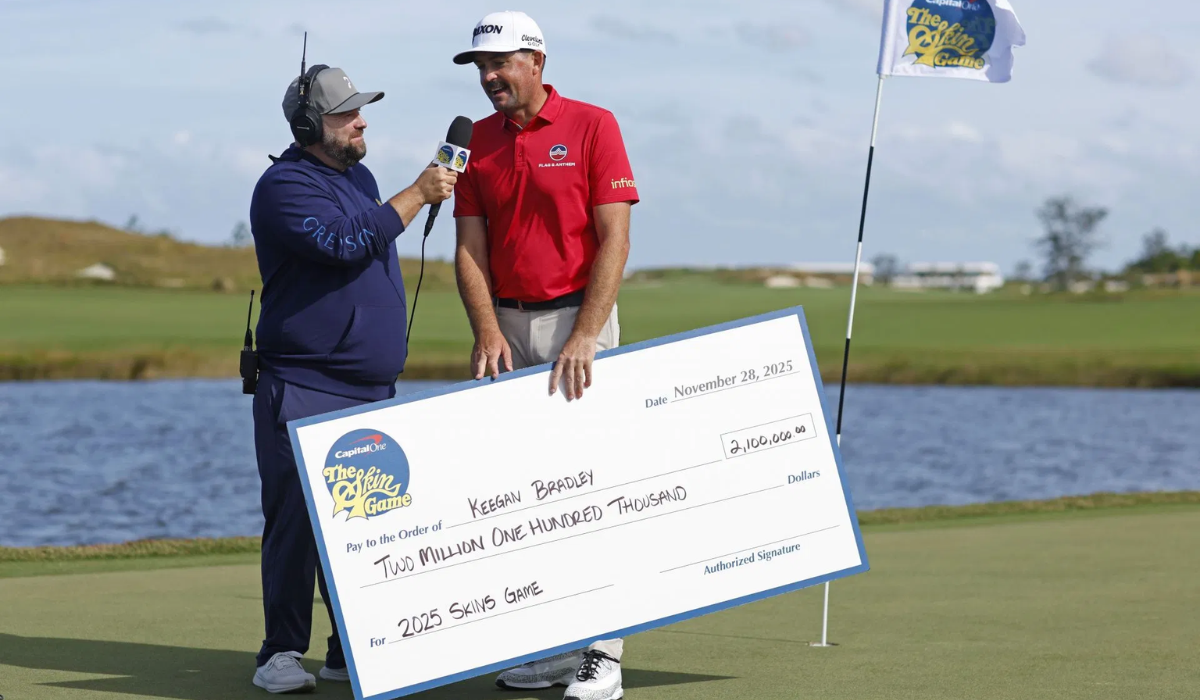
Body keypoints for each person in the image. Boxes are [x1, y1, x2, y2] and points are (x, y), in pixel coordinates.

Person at [247, 62, 457, 694]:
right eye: (346, 114)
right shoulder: (282, 186)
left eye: (360, 110)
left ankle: (349, 650)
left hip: (368, 388)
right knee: (296, 524)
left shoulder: (359, 177)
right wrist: (417, 193)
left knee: (364, 526)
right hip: (304, 383)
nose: (362, 121)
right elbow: (344, 242)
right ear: (310, 125)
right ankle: (281, 653)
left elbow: (366, 234)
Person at [450, 11, 638, 700]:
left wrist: (587, 332)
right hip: (506, 328)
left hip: (577, 324)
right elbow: (469, 248)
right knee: (527, 494)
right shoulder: (477, 142)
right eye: (481, 67)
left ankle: (602, 653)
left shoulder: (593, 125)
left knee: (591, 487)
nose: (489, 77)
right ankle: (552, 648)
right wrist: (486, 329)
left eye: (499, 63)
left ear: (536, 61)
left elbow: (615, 240)